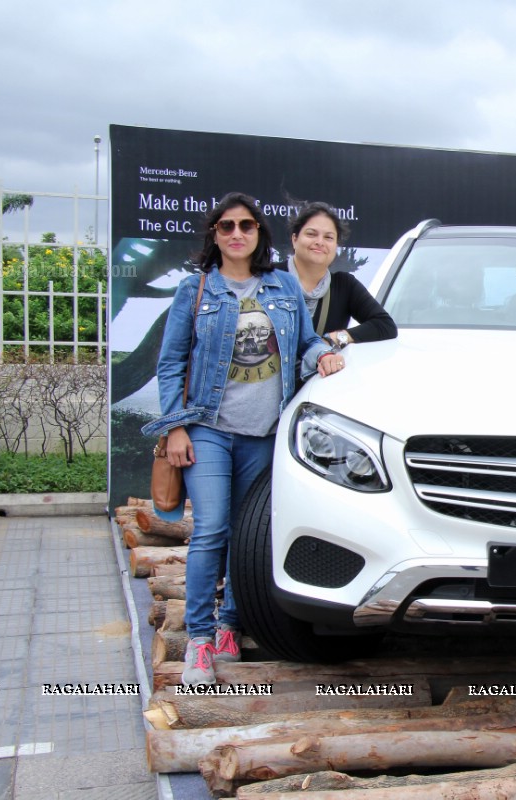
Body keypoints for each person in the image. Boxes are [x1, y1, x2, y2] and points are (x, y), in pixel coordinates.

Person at [142, 192, 348, 686]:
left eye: (247, 226)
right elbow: (171, 363)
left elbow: (303, 341)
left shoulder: (281, 286)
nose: (237, 234)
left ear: (260, 234)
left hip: (266, 433)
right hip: (209, 428)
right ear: (214, 235)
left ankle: (231, 624)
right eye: (227, 226)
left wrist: (323, 352)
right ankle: (199, 638)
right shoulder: (195, 291)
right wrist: (174, 427)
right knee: (211, 529)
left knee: (245, 533)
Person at [280, 201, 397, 349]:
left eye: (328, 237)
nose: (319, 242)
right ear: (294, 239)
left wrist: (334, 339)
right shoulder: (269, 277)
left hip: (319, 372)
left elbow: (385, 325)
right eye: (311, 234)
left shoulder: (344, 285)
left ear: (336, 246)